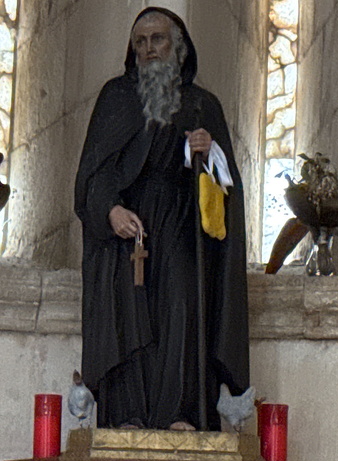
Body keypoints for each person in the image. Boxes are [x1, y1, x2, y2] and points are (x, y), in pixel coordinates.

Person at [74, 7, 249, 431]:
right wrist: (110, 210)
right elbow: (93, 172)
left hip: (182, 226)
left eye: (158, 39)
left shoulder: (203, 105)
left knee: (182, 307)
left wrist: (209, 152)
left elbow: (226, 191)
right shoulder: (116, 97)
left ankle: (179, 413)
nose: (149, 49)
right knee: (128, 312)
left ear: (178, 47)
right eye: (140, 42)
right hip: (126, 229)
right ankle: (128, 415)